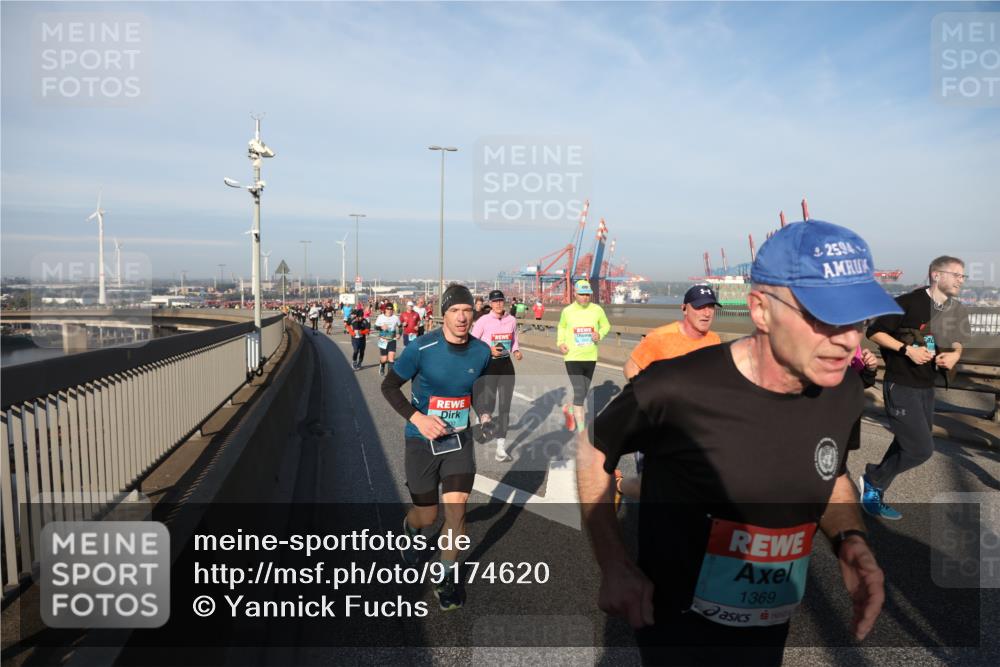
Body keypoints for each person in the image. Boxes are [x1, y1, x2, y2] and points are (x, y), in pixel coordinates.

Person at [576, 220, 898, 666]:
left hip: (769, 624)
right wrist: (614, 565)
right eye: (824, 318)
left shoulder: (843, 392)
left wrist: (850, 540)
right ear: (761, 310)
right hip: (675, 627)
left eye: (857, 319)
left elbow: (833, 473)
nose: (847, 341)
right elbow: (593, 449)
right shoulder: (676, 388)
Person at [381, 284, 492, 611]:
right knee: (428, 515)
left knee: (457, 510)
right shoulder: (421, 347)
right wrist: (418, 418)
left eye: (467, 310)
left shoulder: (481, 351)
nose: (461, 317)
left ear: (474, 313)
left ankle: (444, 576)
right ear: (442, 314)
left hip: (459, 439)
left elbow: (478, 389)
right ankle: (411, 525)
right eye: (455, 311)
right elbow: (389, 386)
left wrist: (484, 413)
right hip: (422, 441)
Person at [859, 255, 970, 521]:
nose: (960, 280)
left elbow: (958, 341)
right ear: (936, 274)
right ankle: (873, 479)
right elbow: (874, 332)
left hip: (926, 386)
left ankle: (876, 491)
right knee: (920, 449)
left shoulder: (956, 309)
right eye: (956, 274)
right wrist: (906, 349)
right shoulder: (907, 302)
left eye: (963, 276)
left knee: (905, 442)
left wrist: (954, 354)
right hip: (901, 384)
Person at [617, 284, 723, 503]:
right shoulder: (660, 337)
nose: (707, 312)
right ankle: (619, 486)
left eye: (711, 306)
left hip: (694, 427)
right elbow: (630, 368)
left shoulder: (714, 340)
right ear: (684, 308)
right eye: (700, 306)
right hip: (657, 426)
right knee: (652, 487)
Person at [470, 289, 523, 462]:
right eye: (495, 301)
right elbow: (473, 343)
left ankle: (501, 448)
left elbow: (514, 339)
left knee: (505, 407)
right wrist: (488, 350)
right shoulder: (483, 321)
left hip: (506, 366)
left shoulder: (511, 320)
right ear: (490, 304)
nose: (498, 304)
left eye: (500, 301)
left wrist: (516, 351)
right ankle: (483, 419)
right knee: (490, 404)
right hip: (490, 366)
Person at [557, 279, 611, 432]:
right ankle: (582, 431)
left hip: (590, 356)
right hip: (572, 356)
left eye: (588, 294)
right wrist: (560, 343)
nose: (585, 297)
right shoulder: (567, 311)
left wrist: (599, 334)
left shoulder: (597, 310)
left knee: (584, 391)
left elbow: (606, 325)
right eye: (582, 294)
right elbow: (561, 327)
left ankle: (570, 409)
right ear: (575, 294)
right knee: (580, 391)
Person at [375, 303, 402, 377]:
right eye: (388, 309)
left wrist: (399, 334)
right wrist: (381, 327)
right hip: (383, 340)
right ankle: (382, 365)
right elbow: (375, 327)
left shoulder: (395, 317)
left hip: (392, 340)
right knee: (384, 359)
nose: (389, 310)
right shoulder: (380, 317)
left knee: (391, 358)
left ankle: (389, 376)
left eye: (391, 309)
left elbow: (400, 327)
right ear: (385, 309)